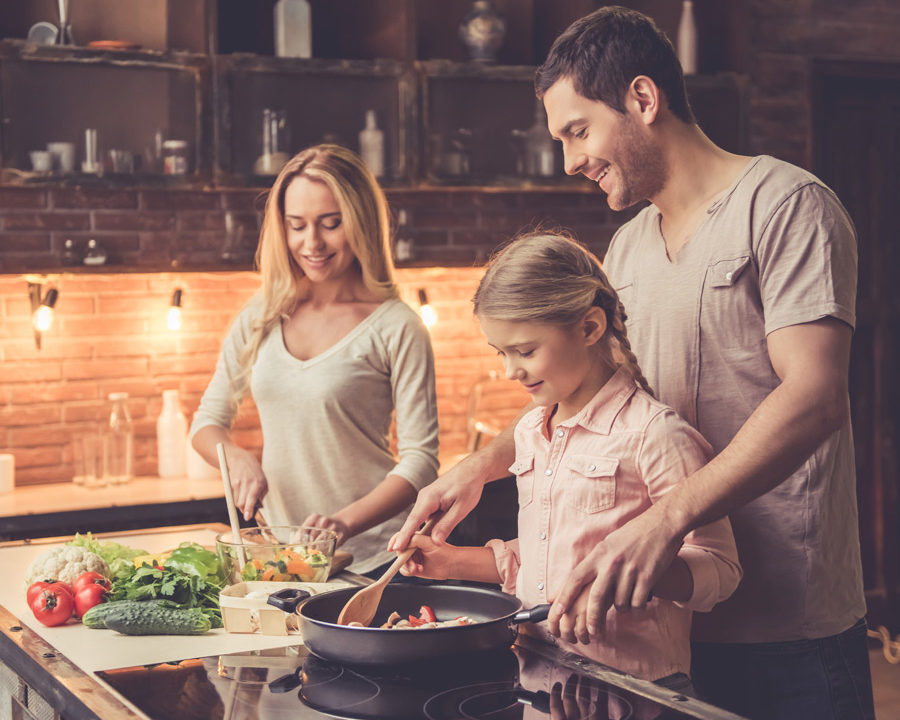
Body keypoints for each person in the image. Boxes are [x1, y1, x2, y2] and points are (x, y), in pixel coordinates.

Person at [392, 7, 874, 719]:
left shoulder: (785, 206)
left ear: (643, 100)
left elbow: (815, 397)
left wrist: (664, 522)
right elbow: (600, 402)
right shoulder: (626, 250)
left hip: (786, 626)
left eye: (578, 131)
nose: (569, 159)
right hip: (659, 635)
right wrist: (482, 465)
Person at [399, 232, 741, 689]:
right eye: (500, 352)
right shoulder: (528, 433)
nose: (509, 371)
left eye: (525, 351)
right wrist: (451, 562)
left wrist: (640, 570)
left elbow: (721, 570)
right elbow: (541, 560)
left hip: (637, 689)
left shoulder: (655, 435)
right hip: (540, 676)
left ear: (589, 329)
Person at [192, 144, 439, 574]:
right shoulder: (260, 315)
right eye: (297, 226)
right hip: (284, 556)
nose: (312, 243)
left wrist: (344, 522)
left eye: (331, 224)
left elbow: (421, 460)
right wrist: (234, 456)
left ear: (359, 222)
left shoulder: (396, 326)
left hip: (376, 560)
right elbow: (206, 423)